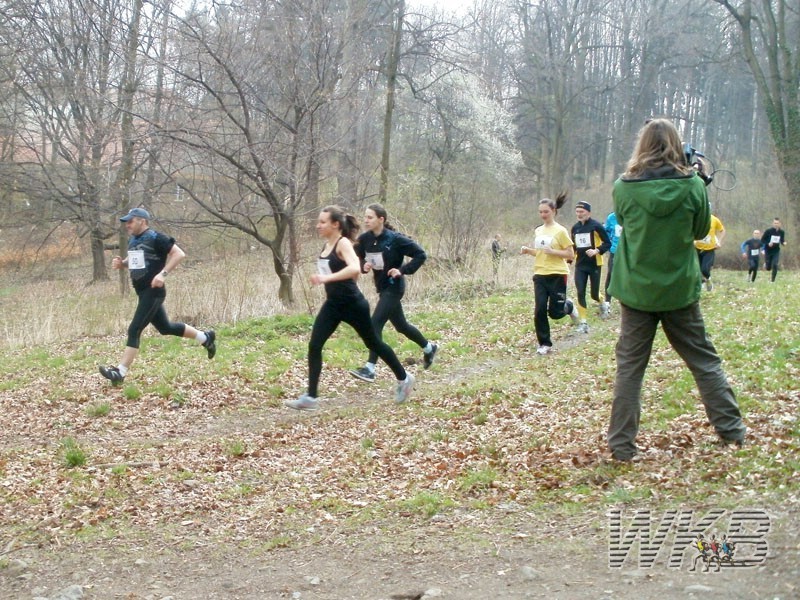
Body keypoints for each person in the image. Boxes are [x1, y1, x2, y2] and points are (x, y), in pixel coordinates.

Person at [607, 118, 745, 462]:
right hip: (679, 290)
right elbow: (701, 230)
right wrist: (696, 180)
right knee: (704, 361)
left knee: (630, 370)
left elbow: (624, 221)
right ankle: (732, 432)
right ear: (676, 144)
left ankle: (622, 447)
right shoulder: (692, 185)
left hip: (637, 289)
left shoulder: (624, 187)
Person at [286, 205, 415, 410]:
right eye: (318, 222)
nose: (318, 225)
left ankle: (404, 377)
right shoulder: (327, 245)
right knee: (315, 345)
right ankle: (311, 397)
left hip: (353, 304)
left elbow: (354, 268)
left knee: (373, 343)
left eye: (322, 222)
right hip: (333, 305)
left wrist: (326, 278)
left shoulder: (343, 243)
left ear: (335, 224)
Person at [99, 208, 216, 384]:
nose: (127, 225)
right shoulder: (134, 240)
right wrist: (121, 264)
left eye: (130, 221)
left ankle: (120, 372)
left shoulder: (156, 237)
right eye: (126, 222)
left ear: (142, 221)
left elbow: (179, 254)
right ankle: (205, 338)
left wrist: (163, 274)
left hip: (153, 292)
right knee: (165, 327)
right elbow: (136, 261)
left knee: (134, 329)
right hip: (142, 292)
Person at [348, 203, 438, 383]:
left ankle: (370, 369)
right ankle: (429, 347)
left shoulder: (395, 239)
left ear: (381, 219)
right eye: (365, 217)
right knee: (401, 326)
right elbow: (354, 257)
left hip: (394, 287)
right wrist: (363, 265)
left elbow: (421, 254)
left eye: (370, 217)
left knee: (374, 324)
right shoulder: (365, 239)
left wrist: (402, 270)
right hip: (382, 288)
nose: (366, 220)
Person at [520, 192, 580, 355]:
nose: (543, 215)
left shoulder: (560, 231)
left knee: (555, 313)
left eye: (545, 211)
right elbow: (541, 253)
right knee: (539, 309)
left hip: (557, 274)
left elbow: (570, 254)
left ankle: (569, 306)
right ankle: (544, 344)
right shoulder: (539, 230)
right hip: (540, 274)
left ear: (553, 211)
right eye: (540, 212)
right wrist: (528, 251)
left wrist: (553, 251)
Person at [570, 201, 612, 331]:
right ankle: (583, 322)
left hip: (594, 264)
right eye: (577, 212)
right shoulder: (575, 228)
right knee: (580, 291)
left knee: (594, 294)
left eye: (581, 212)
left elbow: (607, 243)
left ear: (588, 212)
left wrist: (596, 251)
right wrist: (569, 259)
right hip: (580, 265)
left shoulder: (596, 226)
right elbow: (574, 246)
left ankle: (602, 303)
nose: (579, 214)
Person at [694, 212, 726, 291]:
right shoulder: (696, 218)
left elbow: (722, 230)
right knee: (697, 269)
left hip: (709, 249)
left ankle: (708, 280)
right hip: (697, 248)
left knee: (704, 269)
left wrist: (719, 242)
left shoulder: (714, 219)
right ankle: (701, 285)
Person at [761, 218, 787, 283]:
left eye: (777, 223)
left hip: (776, 251)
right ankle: (766, 264)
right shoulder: (768, 231)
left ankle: (773, 281)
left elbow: (782, 240)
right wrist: (768, 243)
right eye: (775, 223)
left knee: (775, 264)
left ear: (780, 224)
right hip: (768, 251)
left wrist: (784, 243)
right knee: (768, 268)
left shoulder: (782, 232)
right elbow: (762, 240)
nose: (776, 224)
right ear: (773, 224)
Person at [603, 212, 621, 306]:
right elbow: (606, 232)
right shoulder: (611, 217)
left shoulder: (633, 214)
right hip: (615, 251)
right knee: (611, 274)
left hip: (630, 253)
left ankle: (627, 302)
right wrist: (609, 244)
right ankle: (607, 302)